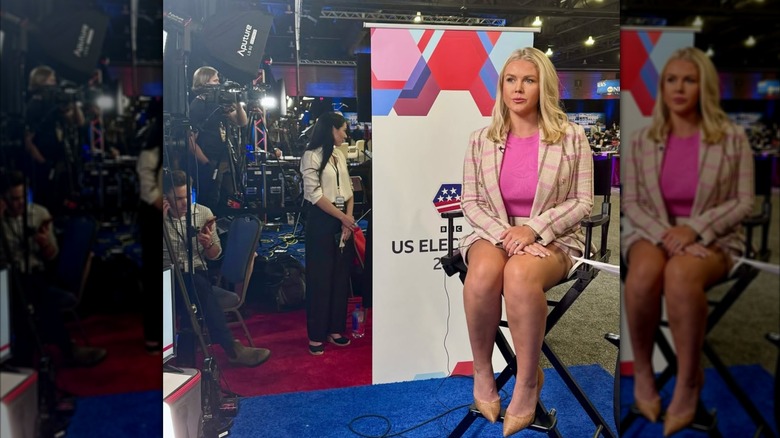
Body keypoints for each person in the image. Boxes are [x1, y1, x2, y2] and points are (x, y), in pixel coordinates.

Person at [458, 47, 593, 437]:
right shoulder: (480, 139)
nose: (518, 89)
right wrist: (507, 234)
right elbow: (470, 201)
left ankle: (527, 382)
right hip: (493, 232)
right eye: (511, 80)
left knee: (518, 275)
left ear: (543, 86)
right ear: (501, 87)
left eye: (529, 80)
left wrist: (533, 230)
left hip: (555, 238)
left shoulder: (571, 137)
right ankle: (482, 374)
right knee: (483, 272)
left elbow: (583, 201)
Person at [622, 47, 754, 436]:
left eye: (689, 80)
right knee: (644, 274)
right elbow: (631, 201)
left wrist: (694, 229)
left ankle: (687, 381)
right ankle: (644, 374)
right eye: (672, 80)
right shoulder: (642, 139)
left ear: (705, 87)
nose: (679, 88)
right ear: (662, 87)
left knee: (680, 275)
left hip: (715, 238)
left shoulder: (731, 138)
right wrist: (670, 234)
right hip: (652, 231)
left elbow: (745, 201)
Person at [162, 170, 270, 367]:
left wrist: (207, 245)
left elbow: (215, 255)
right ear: (165, 198)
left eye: (188, 196)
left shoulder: (203, 213)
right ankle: (231, 348)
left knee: (195, 286)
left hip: (196, 275)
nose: (185, 203)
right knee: (197, 289)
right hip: (166, 280)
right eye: (178, 199)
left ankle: (187, 360)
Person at [0, 170, 106, 368]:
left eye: (23, 196)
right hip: (7, 280)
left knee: (33, 295)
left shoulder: (38, 213)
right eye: (14, 199)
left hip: (39, 274)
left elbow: (53, 258)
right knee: (28, 298)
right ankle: (65, 348)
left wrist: (44, 244)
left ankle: (24, 357)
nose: (20, 203)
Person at [300, 112, 358, 355]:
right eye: (342, 130)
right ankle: (316, 334)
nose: (345, 134)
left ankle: (335, 329)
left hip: (343, 221)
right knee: (320, 278)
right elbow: (314, 195)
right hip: (322, 222)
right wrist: (342, 217)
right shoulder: (310, 156)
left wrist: (348, 218)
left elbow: (349, 189)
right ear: (331, 130)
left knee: (340, 276)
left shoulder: (338, 155)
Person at [24, 65, 85, 215]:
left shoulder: (56, 105)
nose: (55, 83)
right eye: (51, 80)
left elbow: (79, 122)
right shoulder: (35, 105)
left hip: (61, 162)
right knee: (46, 203)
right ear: (41, 81)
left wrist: (74, 102)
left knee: (64, 202)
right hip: (44, 165)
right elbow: (28, 140)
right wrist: (43, 163)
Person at [188, 66, 248, 211]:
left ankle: (227, 229)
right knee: (211, 200)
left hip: (227, 159)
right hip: (210, 160)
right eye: (215, 80)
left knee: (231, 199)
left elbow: (242, 122)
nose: (219, 83)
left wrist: (238, 105)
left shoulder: (220, 102)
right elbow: (190, 139)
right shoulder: (197, 105)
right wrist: (206, 162)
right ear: (205, 82)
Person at [136, 99, 163, 353]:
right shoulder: (151, 147)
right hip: (154, 219)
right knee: (154, 278)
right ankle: (154, 337)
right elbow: (149, 191)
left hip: (163, 215)